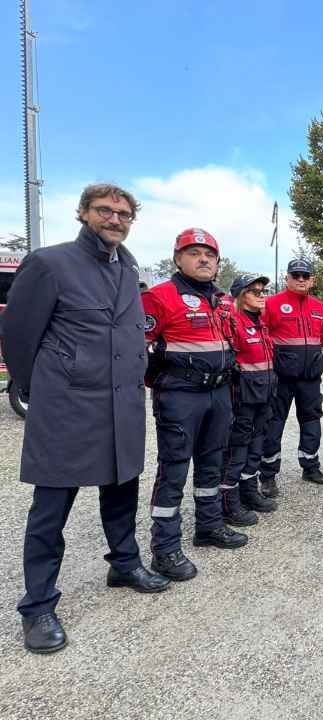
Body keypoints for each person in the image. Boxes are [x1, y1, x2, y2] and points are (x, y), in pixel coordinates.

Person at [4, 183, 170, 654]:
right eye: (104, 210)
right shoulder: (49, 263)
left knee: (121, 490)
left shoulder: (128, 268)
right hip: (67, 407)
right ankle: (37, 606)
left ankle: (124, 563)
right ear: (82, 213)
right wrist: (42, 390)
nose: (114, 219)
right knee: (50, 509)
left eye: (123, 213)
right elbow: (18, 336)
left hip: (121, 405)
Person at [142, 228, 249, 582]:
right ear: (177, 259)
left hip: (218, 393)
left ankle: (209, 525)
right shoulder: (159, 297)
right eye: (194, 253)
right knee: (174, 469)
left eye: (209, 254)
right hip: (180, 395)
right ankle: (165, 548)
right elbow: (137, 349)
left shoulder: (221, 299)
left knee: (212, 463)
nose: (203, 259)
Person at [259, 259, 323, 493]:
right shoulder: (271, 304)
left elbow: (322, 337)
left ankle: (310, 467)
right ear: (287, 278)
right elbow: (263, 337)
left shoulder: (320, 307)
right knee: (274, 423)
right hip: (281, 378)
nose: (301, 279)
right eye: (296, 275)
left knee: (311, 421)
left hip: (310, 378)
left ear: (312, 280)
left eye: (305, 276)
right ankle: (268, 474)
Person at [219, 274, 278, 526]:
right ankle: (229, 503)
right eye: (255, 291)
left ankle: (249, 492)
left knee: (256, 447)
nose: (262, 295)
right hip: (242, 399)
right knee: (237, 450)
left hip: (263, 396)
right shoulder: (233, 322)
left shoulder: (260, 323)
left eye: (263, 291)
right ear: (241, 296)